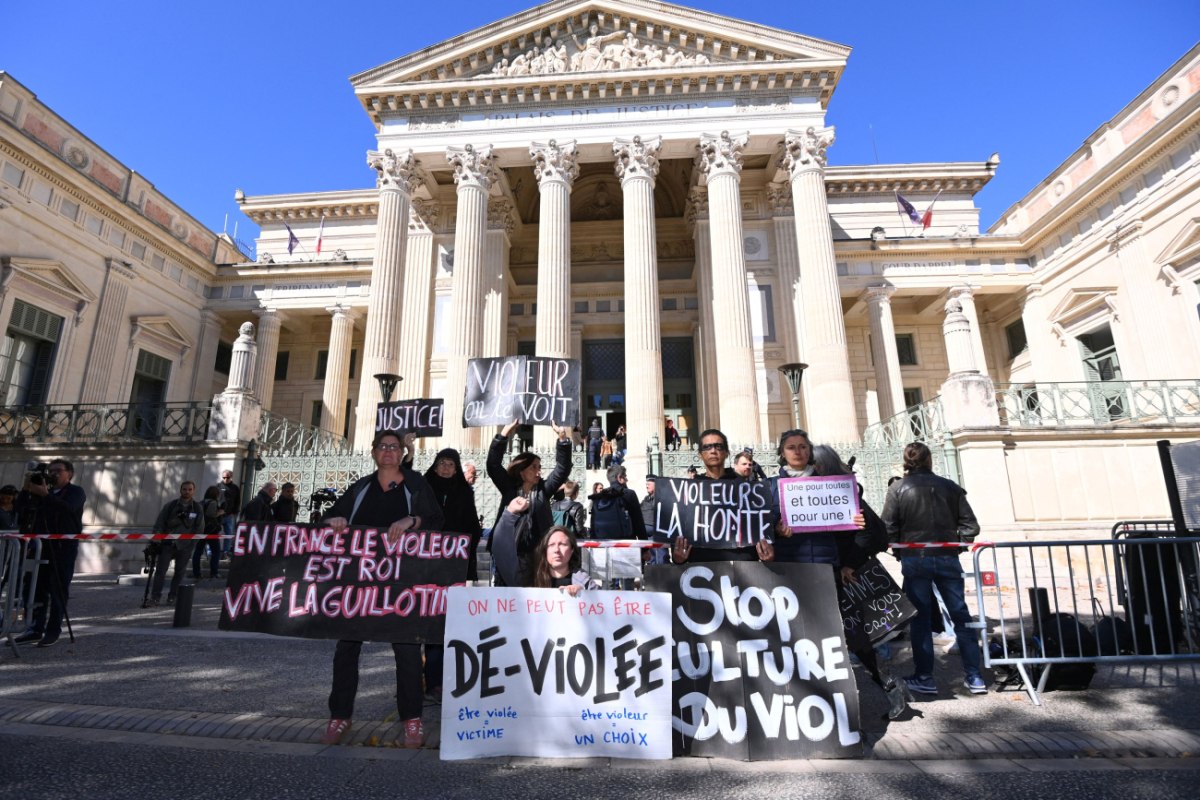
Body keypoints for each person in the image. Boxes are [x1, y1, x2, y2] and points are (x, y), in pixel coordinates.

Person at [320, 430, 445, 748]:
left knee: (406, 650)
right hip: (360, 583)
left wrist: (412, 521)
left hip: (401, 583)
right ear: (374, 452)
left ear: (403, 453)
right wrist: (334, 521)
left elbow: (436, 520)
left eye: (395, 447)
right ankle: (340, 714)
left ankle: (412, 720)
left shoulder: (416, 485)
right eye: (383, 447)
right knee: (346, 649)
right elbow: (329, 516)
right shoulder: (360, 488)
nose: (389, 451)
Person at [806, 443, 908, 720]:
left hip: (840, 575)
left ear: (821, 466)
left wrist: (849, 562)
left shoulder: (842, 492)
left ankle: (889, 686)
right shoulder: (804, 492)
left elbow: (870, 534)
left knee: (856, 640)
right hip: (815, 574)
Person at [881, 441, 985, 697]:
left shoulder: (897, 488)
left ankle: (925, 676)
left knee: (921, 620)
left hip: (915, 558)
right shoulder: (950, 487)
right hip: (947, 557)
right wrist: (958, 546)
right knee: (961, 616)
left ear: (905, 461)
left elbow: (888, 527)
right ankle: (975, 676)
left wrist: (898, 550)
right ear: (929, 460)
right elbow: (971, 526)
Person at [422, 447, 482, 705]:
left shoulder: (464, 492)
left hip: (453, 567)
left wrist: (464, 552)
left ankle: (443, 680)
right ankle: (429, 680)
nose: (446, 468)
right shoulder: (423, 488)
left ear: (457, 469)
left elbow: (472, 528)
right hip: (425, 565)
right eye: (442, 463)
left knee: (447, 623)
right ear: (435, 466)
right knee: (427, 624)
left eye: (450, 464)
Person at [486, 419, 573, 586]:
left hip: (537, 556)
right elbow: (493, 465)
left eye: (539, 467)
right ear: (521, 471)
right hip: (510, 555)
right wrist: (504, 434)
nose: (538, 471)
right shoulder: (509, 488)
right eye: (533, 467)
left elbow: (562, 469)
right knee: (508, 599)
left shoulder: (543, 490)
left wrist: (562, 438)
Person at [671, 429, 773, 565]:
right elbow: (680, 531)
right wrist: (677, 558)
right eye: (707, 447)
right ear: (700, 454)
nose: (713, 451)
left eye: (718, 446)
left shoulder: (747, 489)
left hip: (743, 567)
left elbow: (760, 528)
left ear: (726, 453)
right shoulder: (688, 491)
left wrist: (768, 554)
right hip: (701, 568)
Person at [14, 460, 87, 647]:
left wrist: (45, 495)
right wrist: (26, 489)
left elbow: (67, 509)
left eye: (58, 471)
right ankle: (34, 628)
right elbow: (19, 510)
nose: (53, 474)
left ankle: (53, 630)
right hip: (39, 547)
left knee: (58, 590)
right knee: (33, 588)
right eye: (51, 471)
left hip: (63, 548)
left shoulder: (75, 492)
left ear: (69, 474)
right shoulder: (39, 492)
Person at [148, 480, 204, 606]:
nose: (187, 492)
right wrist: (156, 539)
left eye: (190, 489)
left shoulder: (197, 508)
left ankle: (173, 597)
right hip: (167, 544)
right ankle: (155, 597)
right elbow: (160, 523)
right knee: (160, 572)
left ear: (193, 491)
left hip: (185, 546)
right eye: (184, 489)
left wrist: (191, 545)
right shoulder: (171, 506)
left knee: (179, 573)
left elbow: (199, 529)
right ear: (180, 490)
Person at [527, 525, 593, 596]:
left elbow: (601, 601)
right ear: (545, 549)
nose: (556, 550)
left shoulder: (585, 582)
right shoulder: (531, 580)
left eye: (562, 544)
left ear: (572, 550)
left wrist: (584, 593)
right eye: (551, 545)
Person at [589, 465, 647, 540]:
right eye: (625, 476)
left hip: (604, 543)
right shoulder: (629, 494)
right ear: (619, 478)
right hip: (626, 542)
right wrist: (645, 548)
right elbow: (638, 522)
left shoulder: (599, 496)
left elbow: (593, 523)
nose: (627, 479)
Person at [191, 485, 223, 580]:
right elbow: (211, 514)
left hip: (201, 530)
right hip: (211, 531)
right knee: (216, 552)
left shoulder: (201, 502)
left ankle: (196, 573)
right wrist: (220, 513)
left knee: (198, 551)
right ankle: (214, 572)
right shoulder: (213, 503)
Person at [213, 470, 241, 556]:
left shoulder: (235, 488)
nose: (225, 479)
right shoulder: (218, 486)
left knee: (229, 534)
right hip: (218, 515)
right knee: (213, 533)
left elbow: (237, 501)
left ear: (231, 477)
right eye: (224, 477)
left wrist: (234, 512)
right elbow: (213, 499)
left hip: (229, 515)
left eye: (227, 477)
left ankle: (226, 552)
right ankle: (212, 551)